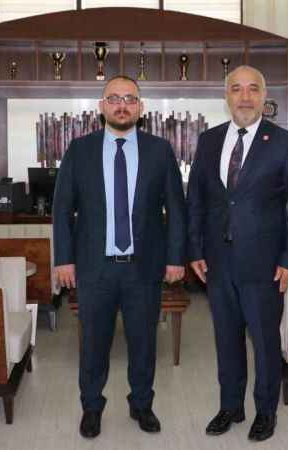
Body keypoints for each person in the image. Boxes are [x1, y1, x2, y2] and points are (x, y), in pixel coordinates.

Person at [53, 75, 187, 439]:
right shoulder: (79, 150)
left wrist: (176, 258)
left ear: (140, 108)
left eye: (129, 99)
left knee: (143, 344)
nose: (122, 105)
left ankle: (141, 404)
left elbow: (177, 210)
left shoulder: (160, 151)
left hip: (143, 270)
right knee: (93, 345)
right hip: (94, 269)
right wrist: (63, 259)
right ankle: (91, 407)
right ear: (102, 106)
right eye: (114, 98)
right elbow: (62, 210)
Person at [187, 65, 288, 442]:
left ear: (263, 96)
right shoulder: (208, 140)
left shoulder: (284, 143)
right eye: (237, 89)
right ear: (226, 96)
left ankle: (265, 411)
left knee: (265, 342)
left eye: (253, 89)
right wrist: (195, 248)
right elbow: (196, 200)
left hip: (265, 266)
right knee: (226, 340)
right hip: (217, 264)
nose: (245, 97)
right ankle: (230, 407)